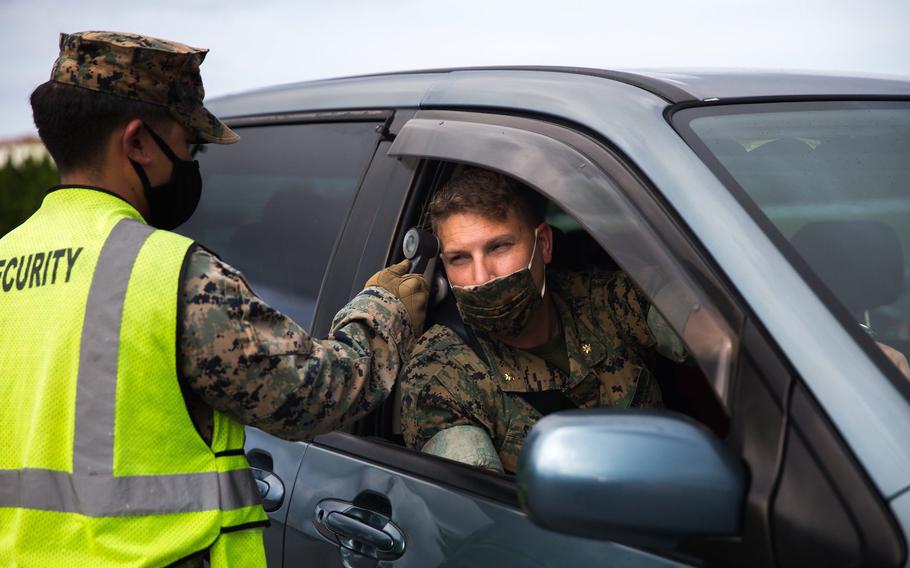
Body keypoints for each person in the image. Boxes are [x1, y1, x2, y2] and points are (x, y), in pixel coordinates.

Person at [0, 32, 427, 567]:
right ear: (137, 144)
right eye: (189, 145)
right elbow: (317, 394)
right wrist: (383, 310)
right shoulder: (167, 272)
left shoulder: (6, 259)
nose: (191, 160)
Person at [400, 167, 711, 475]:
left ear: (544, 245)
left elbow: (719, 339)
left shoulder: (603, 300)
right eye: (460, 258)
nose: (481, 277)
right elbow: (473, 509)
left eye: (499, 247)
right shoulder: (440, 371)